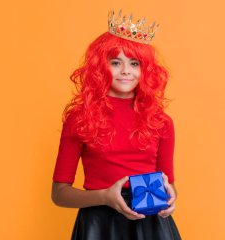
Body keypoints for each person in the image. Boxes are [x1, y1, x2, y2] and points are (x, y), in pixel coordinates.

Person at [51, 10, 182, 240]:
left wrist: (171, 199)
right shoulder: (79, 119)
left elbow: (168, 184)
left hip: (150, 226)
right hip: (99, 225)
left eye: (134, 63)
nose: (125, 71)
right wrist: (104, 197)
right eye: (115, 62)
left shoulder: (161, 122)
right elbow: (59, 194)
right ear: (100, 67)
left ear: (145, 70)